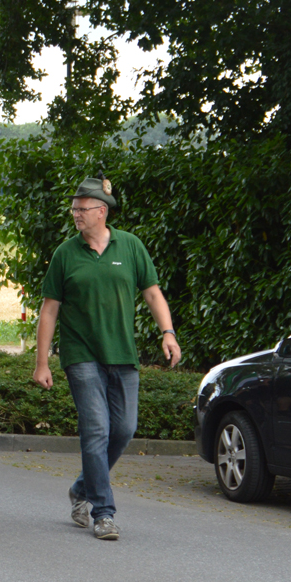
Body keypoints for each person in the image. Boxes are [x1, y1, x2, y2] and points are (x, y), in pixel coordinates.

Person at [33, 176, 180, 541]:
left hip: (122, 354)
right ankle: (103, 513)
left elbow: (153, 294)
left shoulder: (130, 246)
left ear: (102, 211)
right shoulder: (65, 254)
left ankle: (82, 487)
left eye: (82, 209)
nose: (75, 215)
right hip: (81, 354)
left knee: (125, 429)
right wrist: (42, 361)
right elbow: (49, 311)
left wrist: (168, 332)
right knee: (96, 430)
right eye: (74, 209)